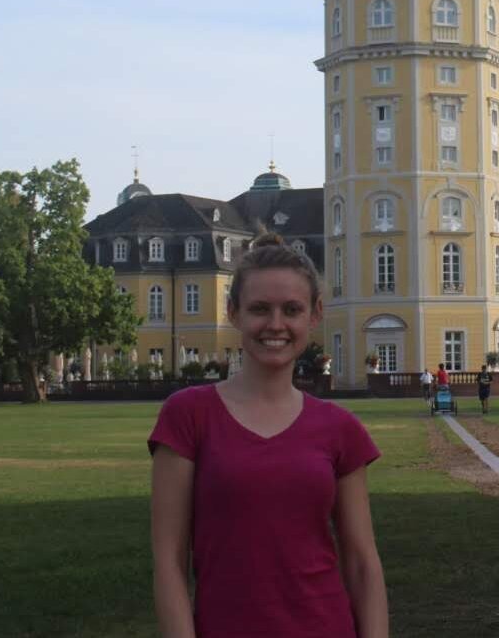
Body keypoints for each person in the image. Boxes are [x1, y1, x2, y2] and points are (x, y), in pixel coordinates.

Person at [148, 233, 388, 638]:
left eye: (291, 310)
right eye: (260, 309)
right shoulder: (188, 416)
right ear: (234, 313)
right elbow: (169, 561)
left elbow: (362, 562)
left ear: (314, 316)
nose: (275, 325)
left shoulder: (340, 428)